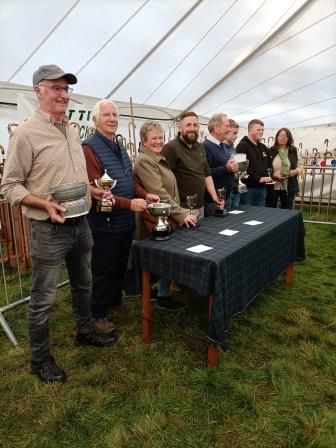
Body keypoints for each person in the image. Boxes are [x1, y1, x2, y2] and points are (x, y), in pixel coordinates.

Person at [0, 64, 118, 384]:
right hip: (49, 229)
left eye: (66, 89)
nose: (62, 94)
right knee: (44, 299)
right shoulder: (24, 134)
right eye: (55, 88)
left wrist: (95, 191)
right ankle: (39, 360)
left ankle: (84, 331)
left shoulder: (71, 129)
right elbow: (10, 186)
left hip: (81, 224)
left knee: (84, 284)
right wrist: (44, 204)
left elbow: (75, 178)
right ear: (38, 91)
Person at [83, 99, 158, 332]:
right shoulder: (89, 148)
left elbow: (129, 179)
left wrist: (145, 195)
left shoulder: (118, 145)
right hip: (105, 223)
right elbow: (99, 193)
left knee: (119, 265)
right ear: (95, 120)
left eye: (115, 114)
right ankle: (97, 314)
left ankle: (113, 301)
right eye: (106, 115)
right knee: (103, 269)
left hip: (124, 221)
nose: (112, 119)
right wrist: (129, 204)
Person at [134, 121, 197, 310]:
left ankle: (160, 293)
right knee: (159, 260)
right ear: (144, 141)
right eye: (154, 138)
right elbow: (159, 193)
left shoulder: (157, 157)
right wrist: (181, 214)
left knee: (164, 259)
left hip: (168, 214)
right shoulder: (145, 161)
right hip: (155, 219)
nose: (158, 141)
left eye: (160, 137)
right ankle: (155, 295)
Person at [161, 111, 221, 219]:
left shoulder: (200, 147)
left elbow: (207, 174)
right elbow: (166, 181)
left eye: (195, 125)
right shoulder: (170, 148)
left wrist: (214, 196)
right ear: (180, 128)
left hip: (201, 206)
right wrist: (176, 209)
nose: (192, 128)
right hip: (182, 209)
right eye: (188, 125)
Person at [203, 113, 238, 216]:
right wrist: (226, 168)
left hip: (226, 198)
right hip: (213, 202)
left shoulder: (221, 145)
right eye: (227, 126)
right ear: (217, 128)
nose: (229, 129)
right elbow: (204, 173)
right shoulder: (206, 146)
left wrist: (230, 166)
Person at [236, 119, 272, 206]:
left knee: (258, 215)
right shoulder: (242, 145)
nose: (261, 132)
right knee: (246, 215)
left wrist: (268, 176)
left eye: (262, 130)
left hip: (262, 188)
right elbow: (242, 168)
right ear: (250, 130)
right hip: (248, 189)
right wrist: (258, 179)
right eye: (258, 130)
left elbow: (269, 164)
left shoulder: (263, 147)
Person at [269, 128, 302, 209]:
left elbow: (300, 165)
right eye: (280, 135)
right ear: (277, 137)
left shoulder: (293, 150)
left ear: (289, 138)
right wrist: (273, 174)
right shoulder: (271, 150)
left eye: (286, 136)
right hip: (273, 185)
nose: (283, 138)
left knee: (287, 210)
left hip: (289, 185)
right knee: (270, 209)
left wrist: (296, 171)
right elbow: (265, 166)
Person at [223, 119, 241, 208]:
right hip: (226, 192)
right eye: (234, 133)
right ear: (226, 131)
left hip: (235, 189)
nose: (237, 136)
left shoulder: (233, 148)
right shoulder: (220, 149)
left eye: (237, 133)